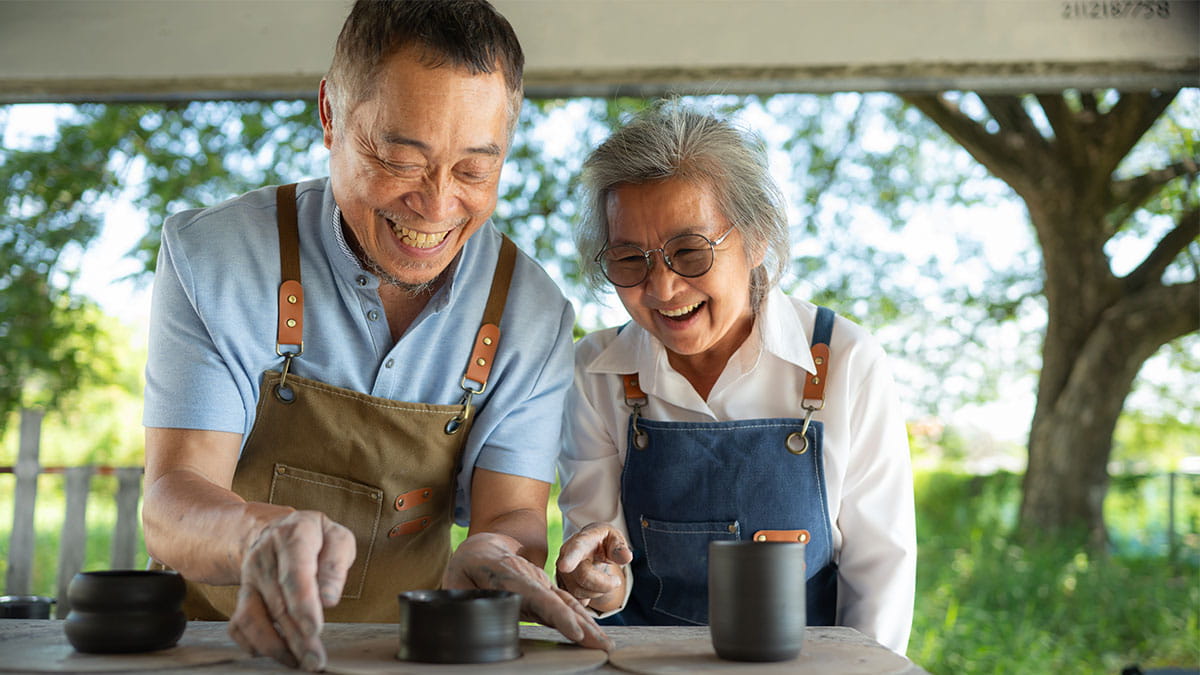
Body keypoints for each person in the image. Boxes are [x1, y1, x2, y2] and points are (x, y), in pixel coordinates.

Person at [140, 1, 609, 670]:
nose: (439, 204)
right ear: (330, 115)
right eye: (400, 158)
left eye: (475, 170)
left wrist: (497, 551)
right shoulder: (214, 256)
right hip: (212, 650)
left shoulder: (531, 312)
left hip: (408, 656)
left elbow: (515, 518)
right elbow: (170, 498)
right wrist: (253, 535)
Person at [554, 102, 917, 654]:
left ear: (758, 238)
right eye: (630, 260)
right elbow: (606, 569)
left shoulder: (843, 361)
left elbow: (879, 578)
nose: (663, 289)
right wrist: (596, 582)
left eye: (690, 252)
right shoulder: (596, 372)